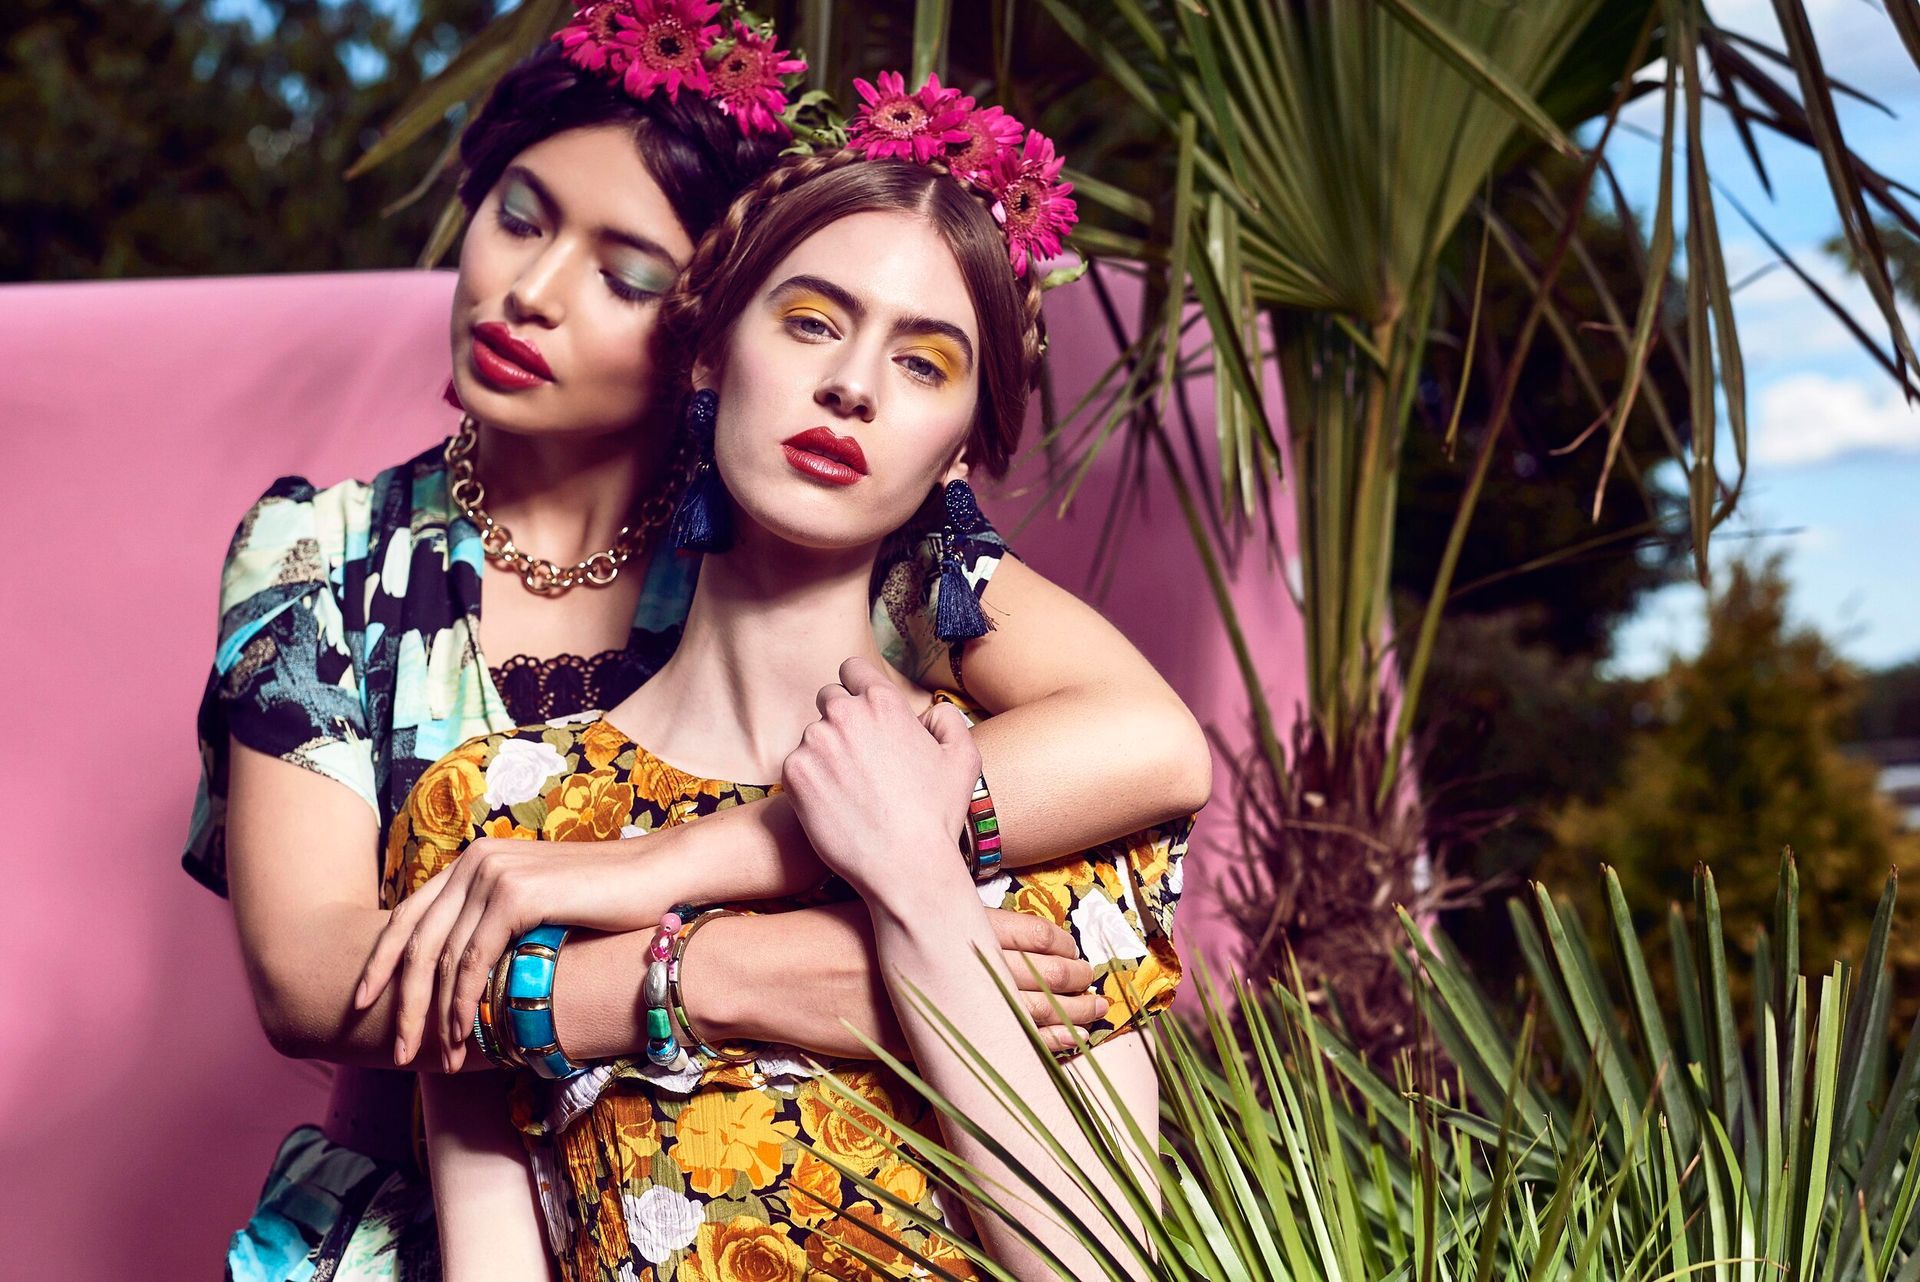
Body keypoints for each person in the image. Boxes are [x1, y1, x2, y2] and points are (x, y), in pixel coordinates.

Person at [191, 6, 1209, 1279]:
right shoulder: (445, 743)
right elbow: (315, 980)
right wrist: (714, 973)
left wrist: (879, 888)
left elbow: (1156, 744)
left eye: (625, 273)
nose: (534, 292)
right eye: (518, 215)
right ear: (724, 345)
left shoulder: (939, 691)